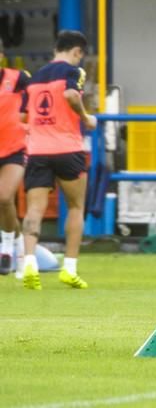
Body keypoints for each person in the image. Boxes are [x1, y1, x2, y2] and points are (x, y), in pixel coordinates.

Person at [22, 30, 97, 290]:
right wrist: (86, 119)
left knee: (34, 210)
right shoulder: (73, 72)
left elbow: (23, 117)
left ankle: (29, 263)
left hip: (38, 150)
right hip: (68, 148)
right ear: (77, 51)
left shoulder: (34, 77)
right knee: (76, 207)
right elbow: (71, 95)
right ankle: (70, 268)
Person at [0, 37, 31, 278]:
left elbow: (37, 98)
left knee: (4, 197)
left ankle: (6, 248)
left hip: (15, 148)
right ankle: (21, 248)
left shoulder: (18, 78)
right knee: (4, 204)